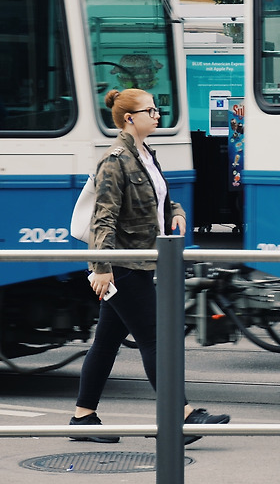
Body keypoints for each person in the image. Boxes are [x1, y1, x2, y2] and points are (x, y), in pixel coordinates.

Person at [69, 88, 230, 445]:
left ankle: (83, 416)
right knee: (158, 338)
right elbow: (104, 218)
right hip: (123, 265)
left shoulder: (145, 154)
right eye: (151, 110)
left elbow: (163, 199)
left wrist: (177, 213)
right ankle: (181, 415)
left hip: (140, 261)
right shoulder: (115, 160)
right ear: (129, 117)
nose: (157, 115)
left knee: (107, 340)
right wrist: (101, 266)